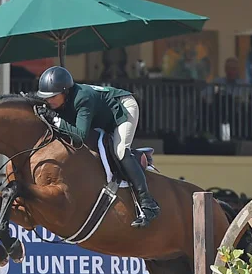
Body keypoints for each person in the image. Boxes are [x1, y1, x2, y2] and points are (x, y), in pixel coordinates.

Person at [34, 66, 160, 228]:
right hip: (103, 116)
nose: (48, 101)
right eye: (46, 97)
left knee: (120, 151)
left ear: (65, 92)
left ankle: (148, 203)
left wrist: (56, 120)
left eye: (52, 97)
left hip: (123, 108)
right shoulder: (61, 100)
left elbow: (79, 137)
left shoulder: (82, 99)